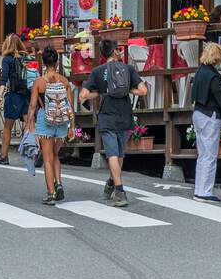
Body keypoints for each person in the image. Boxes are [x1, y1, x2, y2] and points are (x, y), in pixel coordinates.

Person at [81, 39, 148, 208]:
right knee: (120, 153)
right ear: (116, 52)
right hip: (125, 114)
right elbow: (143, 90)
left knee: (111, 154)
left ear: (103, 54)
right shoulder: (128, 69)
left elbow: (84, 94)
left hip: (107, 115)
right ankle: (113, 180)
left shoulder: (97, 71)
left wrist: (99, 94)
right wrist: (129, 90)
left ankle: (119, 190)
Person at [25, 47, 77, 204]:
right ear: (57, 62)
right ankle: (59, 183)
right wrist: (72, 126)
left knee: (47, 158)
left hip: (45, 120)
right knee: (55, 155)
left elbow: (33, 106)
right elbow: (69, 105)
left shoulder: (39, 82)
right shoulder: (64, 81)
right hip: (62, 121)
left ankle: (51, 193)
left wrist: (28, 125)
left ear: (44, 63)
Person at [190, 41, 221, 203]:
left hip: (198, 114)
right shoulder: (213, 76)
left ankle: (199, 189)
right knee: (210, 155)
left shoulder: (200, 71)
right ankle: (205, 192)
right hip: (210, 116)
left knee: (202, 155)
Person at [0, 34, 29, 164]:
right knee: (29, 125)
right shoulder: (27, 58)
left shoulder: (7, 59)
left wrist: (0, 95)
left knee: (8, 126)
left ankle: (4, 156)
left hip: (13, 96)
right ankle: (32, 154)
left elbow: (4, 80)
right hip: (27, 95)